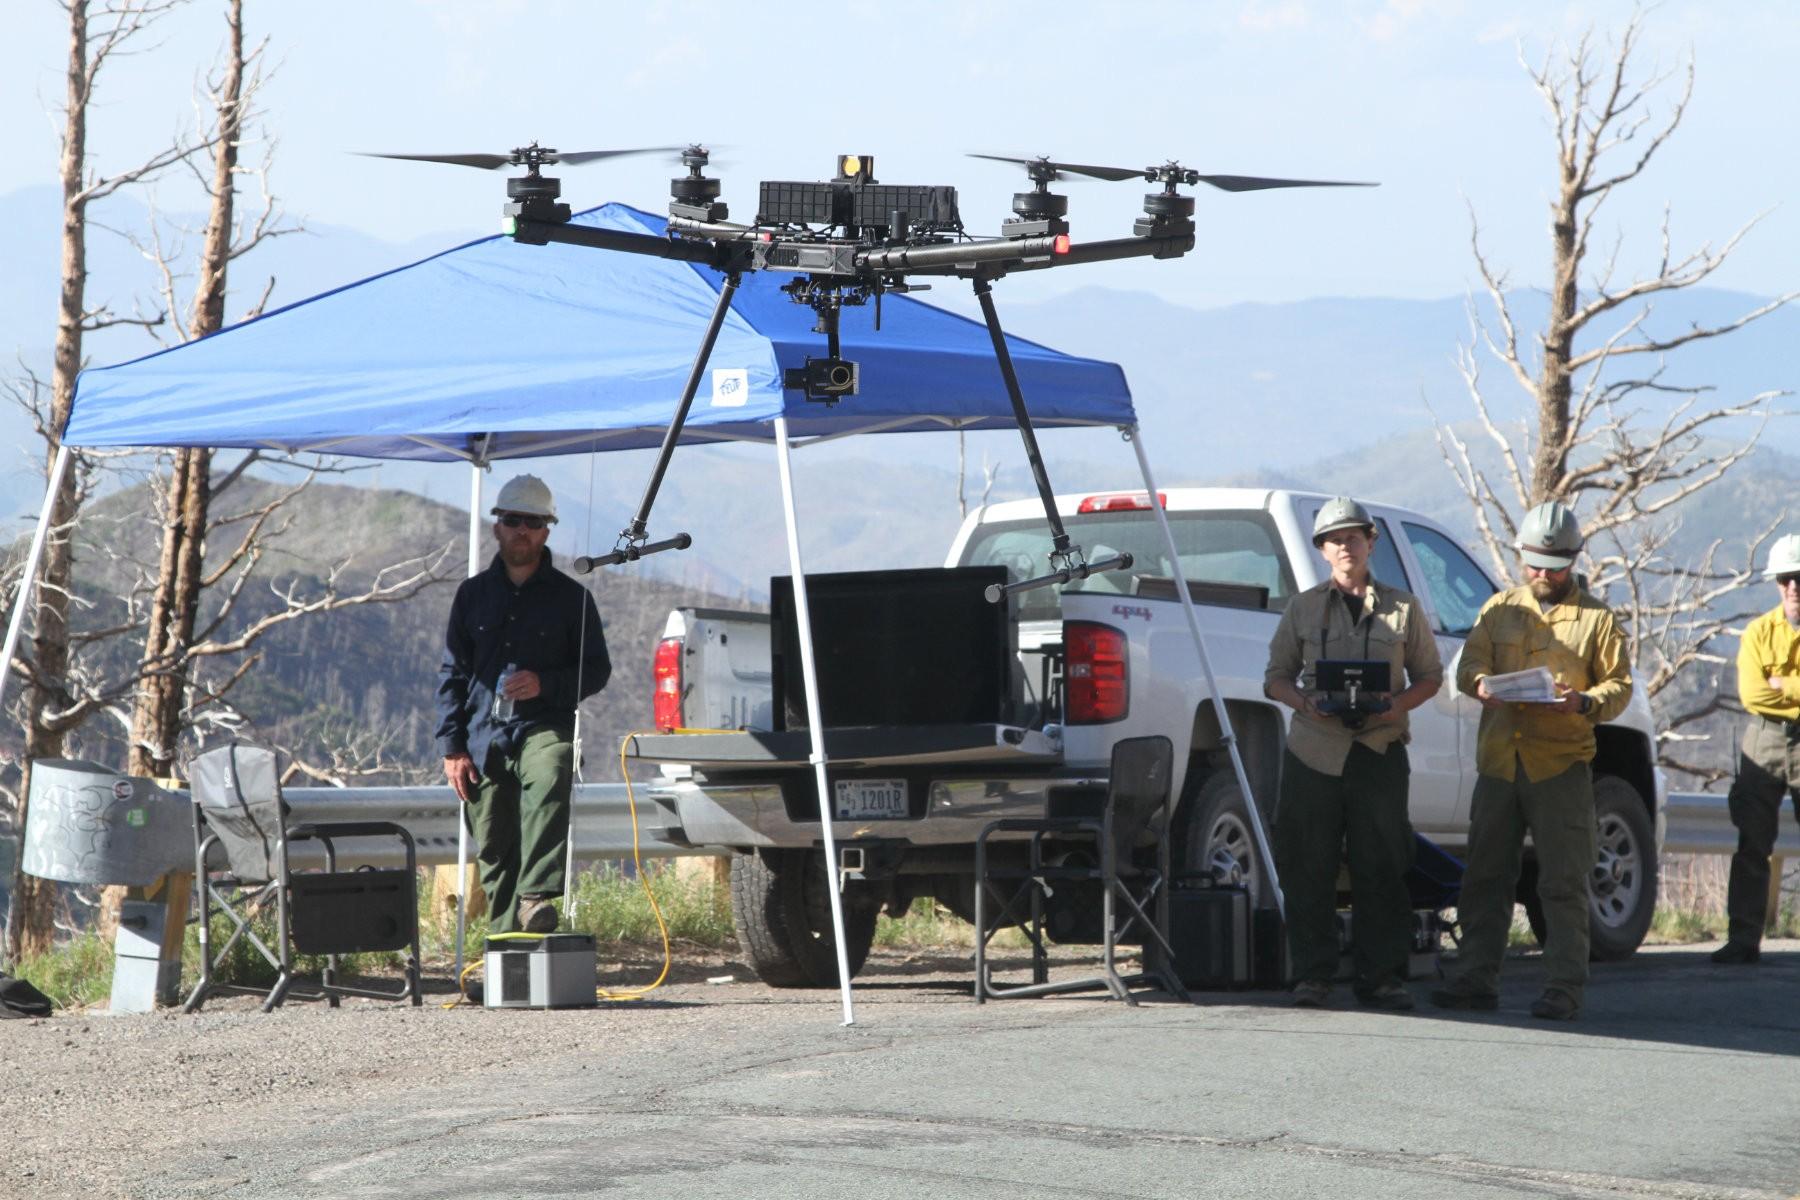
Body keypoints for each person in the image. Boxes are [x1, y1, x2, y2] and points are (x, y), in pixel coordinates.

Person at [1430, 501, 1632, 1021]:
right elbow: (1469, 661)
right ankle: (1476, 978)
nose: (1542, 574)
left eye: (1553, 565)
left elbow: (1618, 687)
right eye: (1533, 563)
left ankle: (1564, 987)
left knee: (1561, 882)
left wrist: (1582, 702)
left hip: (1560, 767)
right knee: (1484, 877)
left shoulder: (1597, 620)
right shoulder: (1498, 608)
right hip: (1500, 762)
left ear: (1573, 561)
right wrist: (1478, 683)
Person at [1264, 497, 1443, 1010]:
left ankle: (1382, 976)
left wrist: (1395, 706)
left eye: (1354, 536)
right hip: (1313, 752)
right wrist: (1304, 702)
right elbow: (1274, 677)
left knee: (1383, 863)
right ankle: (1312, 975)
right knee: (1306, 864)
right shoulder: (1301, 608)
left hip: (1379, 749)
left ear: (1371, 541)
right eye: (1335, 539)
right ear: (1322, 549)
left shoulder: (1404, 608)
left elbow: (1430, 677)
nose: (1346, 545)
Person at [435, 474, 611, 935]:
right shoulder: (471, 596)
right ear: (497, 527)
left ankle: (538, 894)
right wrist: (452, 748)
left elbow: (596, 669)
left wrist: (546, 684)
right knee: (494, 849)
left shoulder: (574, 600)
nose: (522, 530)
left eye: (532, 522)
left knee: (551, 770)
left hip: (543, 725)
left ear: (547, 530)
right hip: (481, 738)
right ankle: (505, 958)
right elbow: (452, 674)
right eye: (513, 520)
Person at [1711, 533, 1800, 965]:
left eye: (1799, 578)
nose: (1793, 588)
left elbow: (1772, 689)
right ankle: (1743, 939)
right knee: (1752, 843)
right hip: (1763, 739)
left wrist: (1787, 684)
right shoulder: (1759, 632)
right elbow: (1753, 696)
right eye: (1785, 579)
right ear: (1776, 583)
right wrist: (1779, 690)